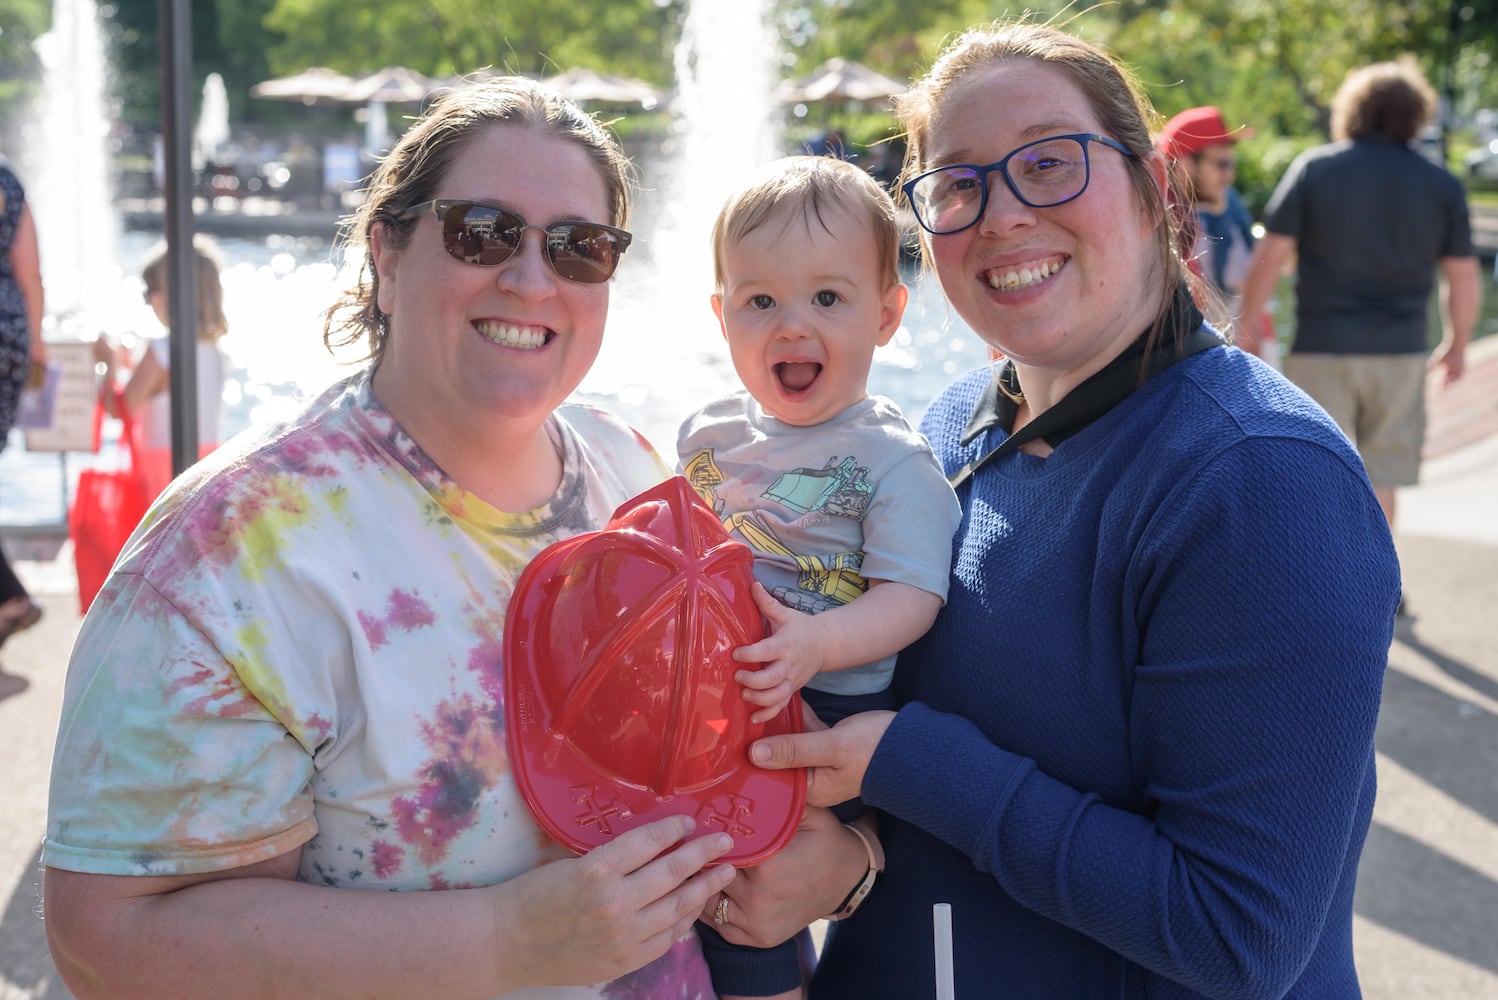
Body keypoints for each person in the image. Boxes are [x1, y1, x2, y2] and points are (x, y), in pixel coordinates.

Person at [724, 20, 1401, 999]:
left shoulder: (1262, 480)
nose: (999, 213)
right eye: (958, 184)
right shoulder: (948, 421)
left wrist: (906, 760)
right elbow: (946, 806)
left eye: (1048, 163)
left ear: (1152, 191)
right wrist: (860, 858)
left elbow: (1237, 935)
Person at [43, 77, 738, 999]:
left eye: (580, 249)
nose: (532, 279)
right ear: (388, 249)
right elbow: (109, 936)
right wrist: (503, 940)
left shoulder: (635, 467)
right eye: (482, 232)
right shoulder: (232, 548)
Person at [677, 154, 961, 1000]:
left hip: (830, 702)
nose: (792, 326)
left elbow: (914, 597)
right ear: (723, 315)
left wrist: (816, 644)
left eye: (827, 299)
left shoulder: (889, 460)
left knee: (753, 863)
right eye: (761, 301)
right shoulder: (710, 432)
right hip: (719, 687)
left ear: (887, 315)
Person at [1237, 59, 1480, 533]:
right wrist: (1457, 343)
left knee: (1313, 466)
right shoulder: (1442, 185)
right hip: (1401, 351)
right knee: (1382, 474)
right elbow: (1463, 276)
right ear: (1416, 115)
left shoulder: (1316, 169)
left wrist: (1246, 328)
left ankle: (1315, 577)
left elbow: (1269, 255)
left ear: (1353, 110)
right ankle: (1381, 587)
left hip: (1321, 345)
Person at [92, 234, 229, 502]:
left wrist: (108, 364)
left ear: (173, 293)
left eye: (149, 291)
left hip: (164, 470)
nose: (147, 301)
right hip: (207, 464)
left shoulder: (162, 350)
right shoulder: (216, 352)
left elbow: (120, 407)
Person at [1158, 105, 1274, 359]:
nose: (1230, 176)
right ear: (1186, 164)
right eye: (1221, 164)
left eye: (1231, 164)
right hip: (1194, 354)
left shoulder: (1228, 203)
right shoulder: (1154, 219)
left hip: (1242, 345)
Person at [0, 154, 46, 647]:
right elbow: (30, 273)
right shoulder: (9, 180)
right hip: (8, 336)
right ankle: (8, 597)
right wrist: (34, 344)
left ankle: (10, 596)